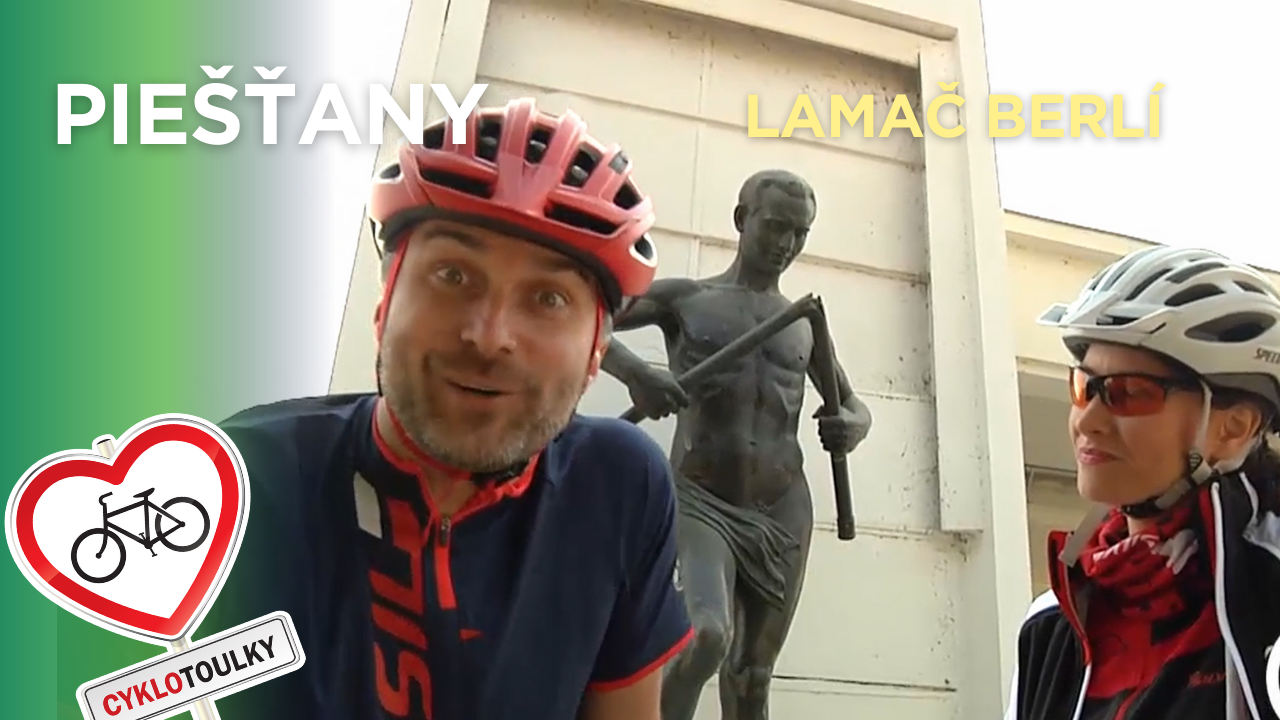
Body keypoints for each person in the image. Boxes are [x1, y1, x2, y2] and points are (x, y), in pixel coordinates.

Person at [200, 97, 693, 720]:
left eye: (548, 298)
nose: (488, 337)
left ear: (597, 351)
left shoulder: (619, 488)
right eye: (452, 276)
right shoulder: (230, 488)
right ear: (385, 303)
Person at [600, 169, 871, 720]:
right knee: (707, 636)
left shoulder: (804, 323)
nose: (786, 243)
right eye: (775, 226)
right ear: (742, 219)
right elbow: (581, 314)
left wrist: (851, 425)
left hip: (781, 508)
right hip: (702, 499)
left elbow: (852, 405)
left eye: (800, 232)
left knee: (753, 675)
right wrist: (635, 374)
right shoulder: (687, 299)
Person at [1005, 245, 1280, 720]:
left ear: (1232, 428)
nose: (1086, 421)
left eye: (1129, 392)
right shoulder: (1050, 624)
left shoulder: (1267, 594)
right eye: (1083, 387)